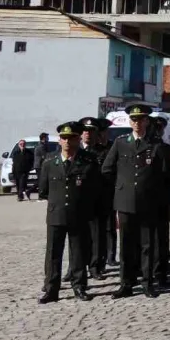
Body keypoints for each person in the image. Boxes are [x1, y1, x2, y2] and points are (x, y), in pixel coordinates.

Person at [103, 103, 170, 299]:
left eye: (141, 119)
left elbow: (164, 174)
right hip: (125, 203)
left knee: (147, 245)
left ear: (147, 121)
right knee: (126, 245)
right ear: (129, 122)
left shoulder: (156, 145)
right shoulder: (121, 142)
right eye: (134, 119)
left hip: (148, 203)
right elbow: (107, 169)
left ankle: (148, 283)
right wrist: (120, 187)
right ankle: (126, 283)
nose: (137, 123)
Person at [38, 121, 102, 303]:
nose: (67, 142)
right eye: (63, 138)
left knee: (79, 253)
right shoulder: (50, 161)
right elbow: (43, 190)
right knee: (53, 253)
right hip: (56, 214)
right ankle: (51, 289)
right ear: (59, 141)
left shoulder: (88, 161)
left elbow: (95, 189)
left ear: (78, 139)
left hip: (79, 214)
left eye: (71, 138)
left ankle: (79, 286)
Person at [79, 118, 116, 277]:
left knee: (98, 234)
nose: (88, 134)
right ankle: (76, 267)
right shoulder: (76, 151)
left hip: (99, 199)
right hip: (78, 200)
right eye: (85, 131)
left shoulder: (104, 152)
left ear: (97, 134)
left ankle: (96, 266)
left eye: (92, 131)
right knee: (78, 236)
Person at [149, 115, 170, 287]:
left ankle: (159, 271)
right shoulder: (149, 148)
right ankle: (153, 271)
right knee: (149, 237)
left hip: (161, 198)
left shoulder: (169, 150)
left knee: (159, 237)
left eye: (159, 128)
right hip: (149, 198)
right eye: (156, 127)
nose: (158, 131)